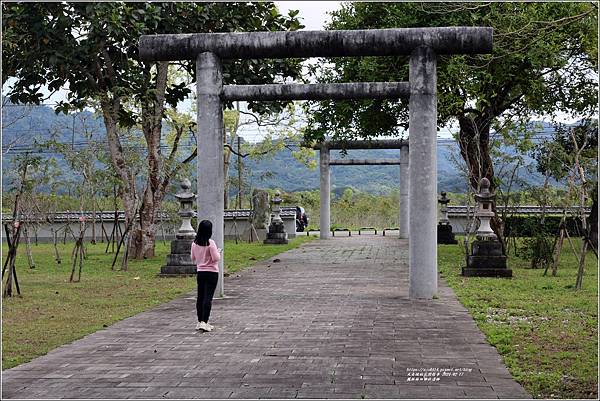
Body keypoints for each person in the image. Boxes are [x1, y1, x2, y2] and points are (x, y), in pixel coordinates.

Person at [190, 220, 221, 332]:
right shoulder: (210, 243)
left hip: (201, 272)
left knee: (200, 297)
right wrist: (218, 252)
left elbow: (193, 258)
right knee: (208, 298)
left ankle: (199, 321)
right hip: (212, 273)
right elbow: (216, 258)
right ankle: (205, 322)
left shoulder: (194, 243)